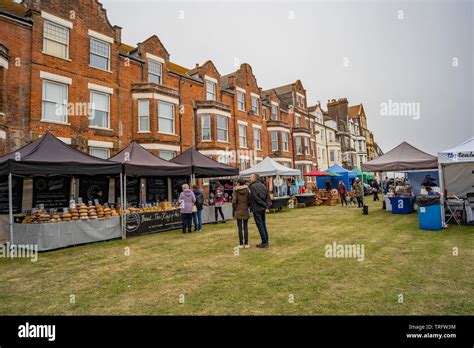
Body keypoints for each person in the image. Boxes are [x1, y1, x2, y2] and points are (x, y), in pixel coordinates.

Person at [249, 173, 270, 248]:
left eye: (251, 177)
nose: (250, 179)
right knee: (263, 224)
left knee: (260, 225)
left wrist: (264, 204)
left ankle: (264, 242)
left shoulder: (253, 186)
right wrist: (266, 205)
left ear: (254, 178)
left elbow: (255, 198)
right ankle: (266, 240)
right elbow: (267, 196)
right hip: (262, 208)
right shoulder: (263, 185)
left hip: (257, 207)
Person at [232, 177, 250, 248]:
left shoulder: (235, 191)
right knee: (245, 227)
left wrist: (235, 208)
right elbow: (249, 200)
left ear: (238, 183)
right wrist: (247, 206)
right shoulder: (247, 190)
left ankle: (240, 243)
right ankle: (246, 243)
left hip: (238, 210)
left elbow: (234, 201)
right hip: (245, 209)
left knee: (240, 228)